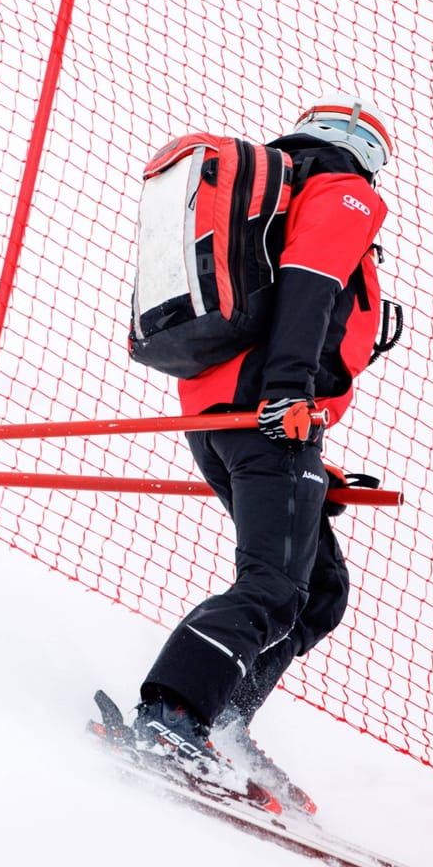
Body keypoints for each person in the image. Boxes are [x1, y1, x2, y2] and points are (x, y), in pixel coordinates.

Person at [132, 95, 394, 807]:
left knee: (318, 594)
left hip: (223, 423)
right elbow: (309, 289)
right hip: (269, 418)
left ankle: (219, 720)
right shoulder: (341, 193)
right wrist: (287, 395)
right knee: (275, 589)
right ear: (368, 152)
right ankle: (172, 716)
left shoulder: (274, 196)